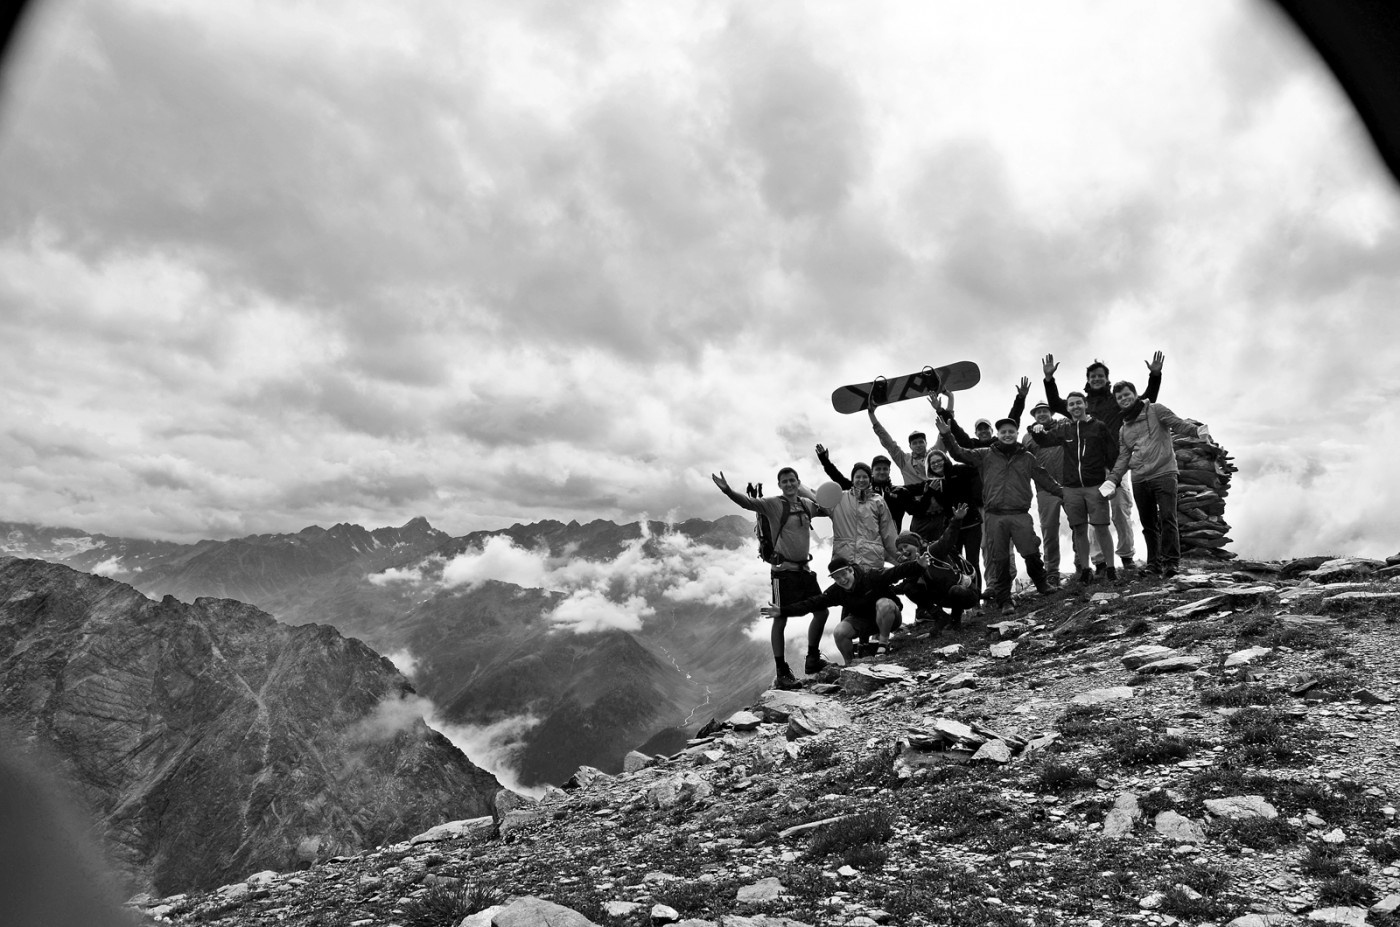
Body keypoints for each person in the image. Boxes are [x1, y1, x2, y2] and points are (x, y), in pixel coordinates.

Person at [1042, 352, 1164, 575]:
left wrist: (1154, 375)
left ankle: (1126, 556)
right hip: (1091, 469)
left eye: (1100, 376)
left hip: (1117, 465)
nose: (1096, 379)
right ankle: (1099, 562)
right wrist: (1049, 379)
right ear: (1087, 379)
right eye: (1092, 376)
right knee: (1094, 517)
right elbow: (1055, 403)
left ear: (1107, 379)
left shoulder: (1116, 401)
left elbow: (1147, 400)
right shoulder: (1082, 403)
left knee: (1120, 509)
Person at [712, 468, 832, 687]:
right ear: (779, 485)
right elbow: (747, 503)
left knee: (822, 612)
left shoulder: (806, 505)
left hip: (804, 570)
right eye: (784, 481)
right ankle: (782, 672)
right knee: (780, 618)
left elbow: (827, 508)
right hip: (782, 573)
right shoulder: (773, 504)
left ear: (798, 482)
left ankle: (812, 659)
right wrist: (728, 491)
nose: (789, 484)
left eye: (792, 480)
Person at [937, 414, 1063, 613]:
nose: (1007, 435)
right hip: (994, 516)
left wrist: (1065, 493)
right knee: (1000, 558)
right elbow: (959, 454)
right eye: (1003, 432)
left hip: (1020, 514)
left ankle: (1042, 584)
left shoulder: (1027, 457)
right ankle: (1004, 599)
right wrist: (946, 435)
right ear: (998, 434)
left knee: (1031, 552)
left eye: (1011, 432)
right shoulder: (985, 454)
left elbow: (1045, 479)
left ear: (1016, 434)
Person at [1105, 380, 1205, 580]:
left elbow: (1177, 423)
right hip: (1140, 478)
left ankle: (1171, 564)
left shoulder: (1156, 410)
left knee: (1168, 518)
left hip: (1164, 472)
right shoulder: (1124, 429)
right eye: (1120, 397)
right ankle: (1154, 565)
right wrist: (1113, 479)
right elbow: (1124, 457)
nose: (1124, 399)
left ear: (1135, 394)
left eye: (1127, 394)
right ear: (1117, 401)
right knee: (1148, 524)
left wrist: (1197, 431)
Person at [761, 554, 924, 663]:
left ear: (851, 570)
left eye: (844, 574)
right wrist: (783, 611)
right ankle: (850, 664)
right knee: (839, 632)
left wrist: (918, 564)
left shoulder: (871, 577)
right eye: (837, 578)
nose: (842, 580)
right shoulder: (836, 592)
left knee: (884, 603)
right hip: (864, 622)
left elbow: (896, 572)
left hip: (890, 618)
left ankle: (883, 644)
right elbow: (812, 603)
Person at [1029, 390, 1120, 584]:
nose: (1075, 407)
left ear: (1085, 404)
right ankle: (1085, 569)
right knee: (1079, 529)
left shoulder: (1099, 427)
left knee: (1101, 527)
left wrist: (1113, 481)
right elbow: (1045, 441)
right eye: (1071, 405)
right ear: (1068, 408)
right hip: (1071, 487)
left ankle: (1111, 568)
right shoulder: (1065, 429)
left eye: (1078, 403)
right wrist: (1035, 430)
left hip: (1095, 485)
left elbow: (1113, 456)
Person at [889, 506, 981, 633]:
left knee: (956, 590)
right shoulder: (914, 565)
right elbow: (904, 587)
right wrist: (882, 587)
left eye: (905, 546)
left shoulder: (933, 550)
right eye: (900, 549)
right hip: (944, 596)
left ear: (915, 544)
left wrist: (957, 519)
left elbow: (947, 539)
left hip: (966, 592)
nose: (904, 551)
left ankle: (955, 621)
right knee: (909, 588)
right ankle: (940, 617)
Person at [902, 448, 983, 590]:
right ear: (929, 467)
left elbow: (976, 469)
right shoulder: (934, 483)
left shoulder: (959, 471)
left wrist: (977, 498)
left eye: (939, 460)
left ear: (945, 460)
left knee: (972, 562)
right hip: (953, 527)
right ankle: (961, 603)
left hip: (971, 524)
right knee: (955, 563)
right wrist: (892, 489)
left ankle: (975, 600)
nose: (936, 464)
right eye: (932, 463)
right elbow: (911, 491)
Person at [814, 446, 908, 529]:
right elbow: (839, 479)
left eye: (885, 469)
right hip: (868, 541)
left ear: (889, 471)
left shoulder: (900, 492)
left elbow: (918, 506)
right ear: (872, 472)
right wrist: (825, 462)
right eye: (878, 469)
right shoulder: (863, 490)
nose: (882, 472)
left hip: (891, 542)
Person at [829, 462, 900, 570]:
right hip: (845, 562)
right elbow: (818, 500)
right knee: (846, 585)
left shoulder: (878, 501)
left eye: (865, 477)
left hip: (872, 562)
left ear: (870, 479)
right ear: (852, 479)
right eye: (858, 477)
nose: (861, 480)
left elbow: (889, 533)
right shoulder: (840, 498)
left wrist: (901, 557)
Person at [1024, 400, 1065, 587]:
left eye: (1045, 411)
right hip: (1044, 489)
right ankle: (1052, 571)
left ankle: (1082, 565)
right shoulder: (1027, 437)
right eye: (1037, 411)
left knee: (1078, 525)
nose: (1041, 414)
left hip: (1069, 485)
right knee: (1049, 531)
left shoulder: (1063, 427)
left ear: (1051, 413)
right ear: (1034, 415)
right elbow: (1024, 464)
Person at [867, 405, 930, 485]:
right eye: (914, 443)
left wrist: (949, 399)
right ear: (910, 446)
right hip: (916, 496)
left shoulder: (935, 455)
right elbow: (888, 442)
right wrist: (872, 415)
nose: (918, 445)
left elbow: (946, 433)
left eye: (921, 442)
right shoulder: (904, 460)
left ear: (926, 443)